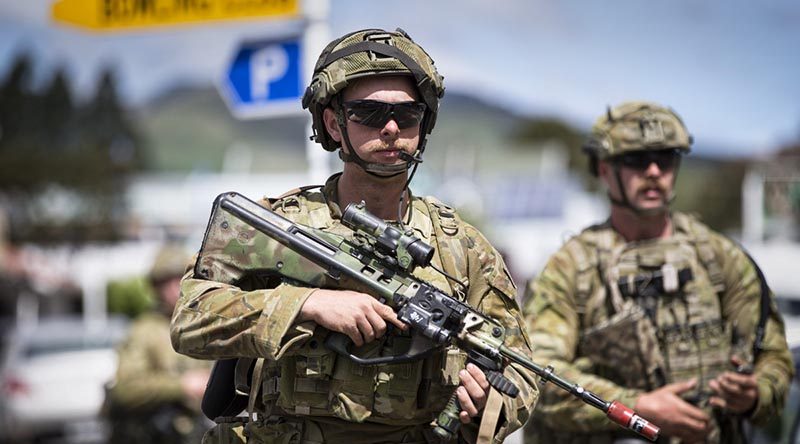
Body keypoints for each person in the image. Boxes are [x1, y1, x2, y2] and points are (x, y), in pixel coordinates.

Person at [170, 28, 538, 444]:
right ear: (333, 121)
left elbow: (520, 368)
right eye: (369, 113)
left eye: (409, 115)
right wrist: (307, 303)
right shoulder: (275, 227)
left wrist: (488, 402)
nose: (392, 128)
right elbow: (190, 320)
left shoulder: (463, 249)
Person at [522, 101, 793, 444]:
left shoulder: (720, 258)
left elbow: (775, 358)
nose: (653, 171)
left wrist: (754, 394)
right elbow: (536, 373)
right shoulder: (571, 267)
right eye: (636, 159)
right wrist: (640, 407)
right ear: (605, 169)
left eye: (665, 159)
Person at [105, 244, 212, 444]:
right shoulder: (144, 330)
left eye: (181, 278)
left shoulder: (203, 325)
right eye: (166, 281)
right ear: (156, 287)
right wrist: (181, 385)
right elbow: (126, 388)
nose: (175, 288)